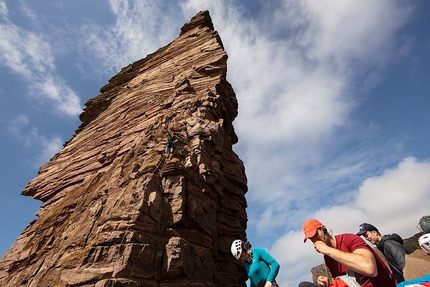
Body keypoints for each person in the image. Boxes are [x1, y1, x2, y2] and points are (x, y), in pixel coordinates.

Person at [298, 219, 397, 287]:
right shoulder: (328, 257)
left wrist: (328, 250)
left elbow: (370, 268)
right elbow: (341, 280)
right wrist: (328, 283)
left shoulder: (349, 239)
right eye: (311, 239)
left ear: (324, 229)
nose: (314, 240)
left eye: (315, 234)